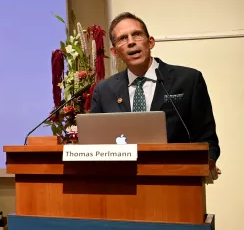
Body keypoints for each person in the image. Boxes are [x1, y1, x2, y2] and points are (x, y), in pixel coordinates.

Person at [90, 12, 221, 179]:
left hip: (177, 181)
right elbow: (94, 144)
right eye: (123, 38)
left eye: (136, 35)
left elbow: (207, 138)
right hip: (121, 183)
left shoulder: (188, 80)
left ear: (150, 42)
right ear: (115, 52)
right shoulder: (104, 91)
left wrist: (207, 162)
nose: (131, 42)